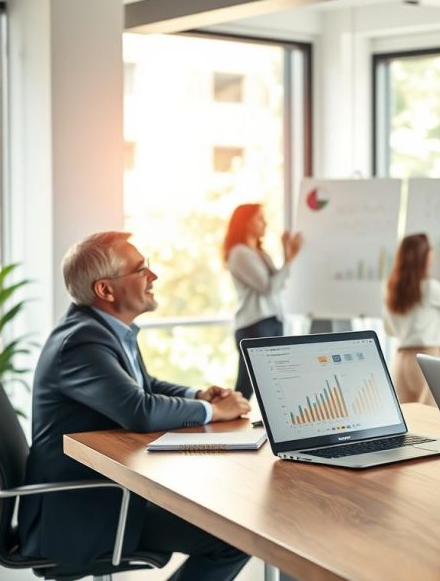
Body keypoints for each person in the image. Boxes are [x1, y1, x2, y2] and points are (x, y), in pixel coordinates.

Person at [19, 232, 252, 580]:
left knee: (228, 522)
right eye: (141, 269)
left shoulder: (104, 330)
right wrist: (215, 412)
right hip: (86, 510)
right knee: (235, 537)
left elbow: (145, 385)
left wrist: (197, 396)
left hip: (108, 493)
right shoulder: (82, 342)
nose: (153, 277)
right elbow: (138, 409)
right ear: (105, 290)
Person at [224, 203, 303, 400]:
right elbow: (267, 287)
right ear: (246, 223)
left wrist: (287, 252)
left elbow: (278, 281)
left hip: (271, 321)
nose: (265, 223)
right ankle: (226, 419)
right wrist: (291, 258)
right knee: (247, 387)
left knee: (272, 384)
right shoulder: (239, 253)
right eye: (260, 218)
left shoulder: (259, 252)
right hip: (255, 325)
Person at [383, 232, 440, 405]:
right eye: (431, 252)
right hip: (427, 360)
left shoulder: (389, 288)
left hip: (400, 360)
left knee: (409, 424)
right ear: (424, 257)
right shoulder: (429, 288)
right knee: (432, 422)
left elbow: (389, 329)